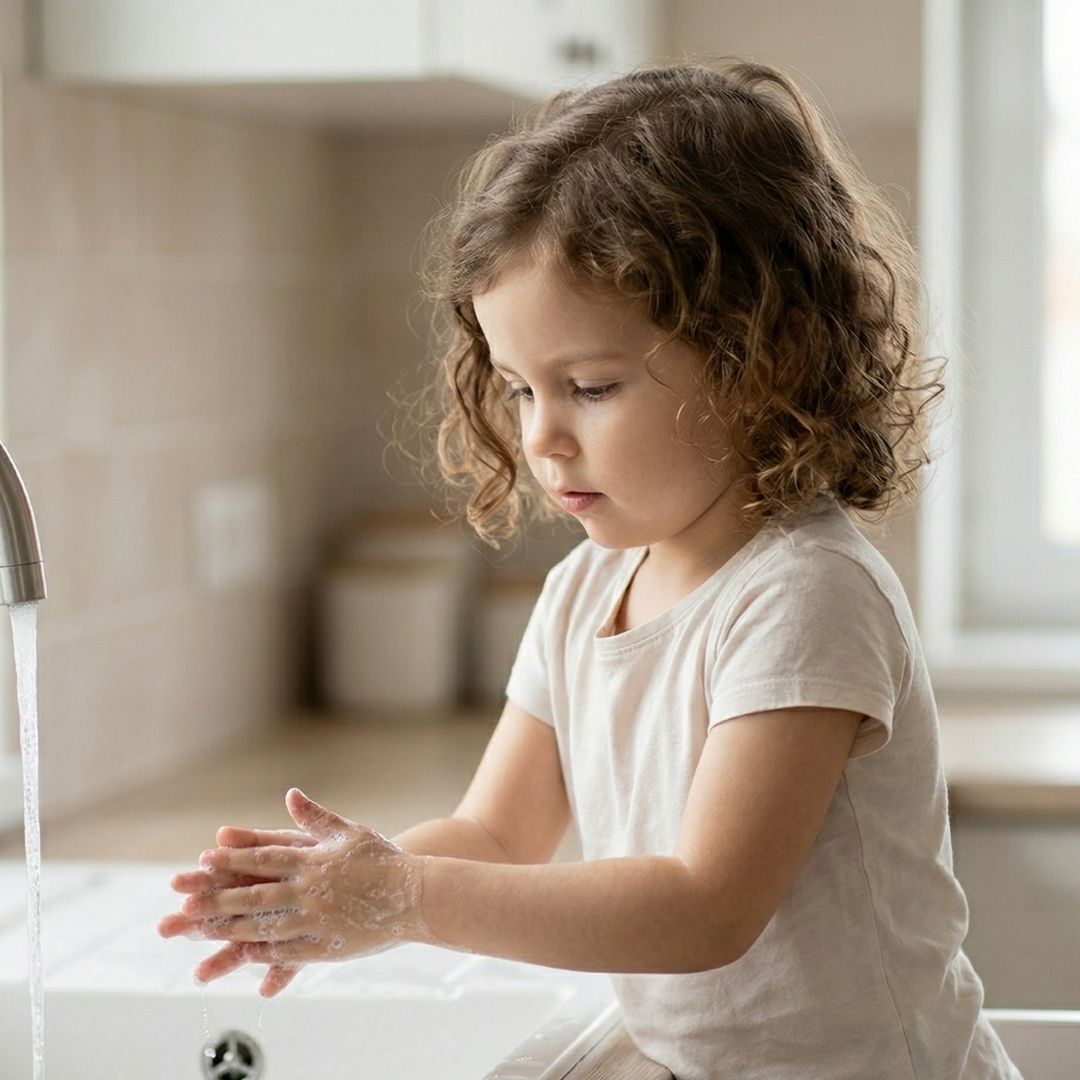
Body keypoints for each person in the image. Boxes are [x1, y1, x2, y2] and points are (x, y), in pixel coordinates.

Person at [158, 59, 1022, 1079]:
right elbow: (496, 831)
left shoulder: (804, 594)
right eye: (520, 389)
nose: (542, 439)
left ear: (760, 357)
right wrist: (340, 889)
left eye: (592, 387)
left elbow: (706, 908)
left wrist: (410, 898)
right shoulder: (581, 592)